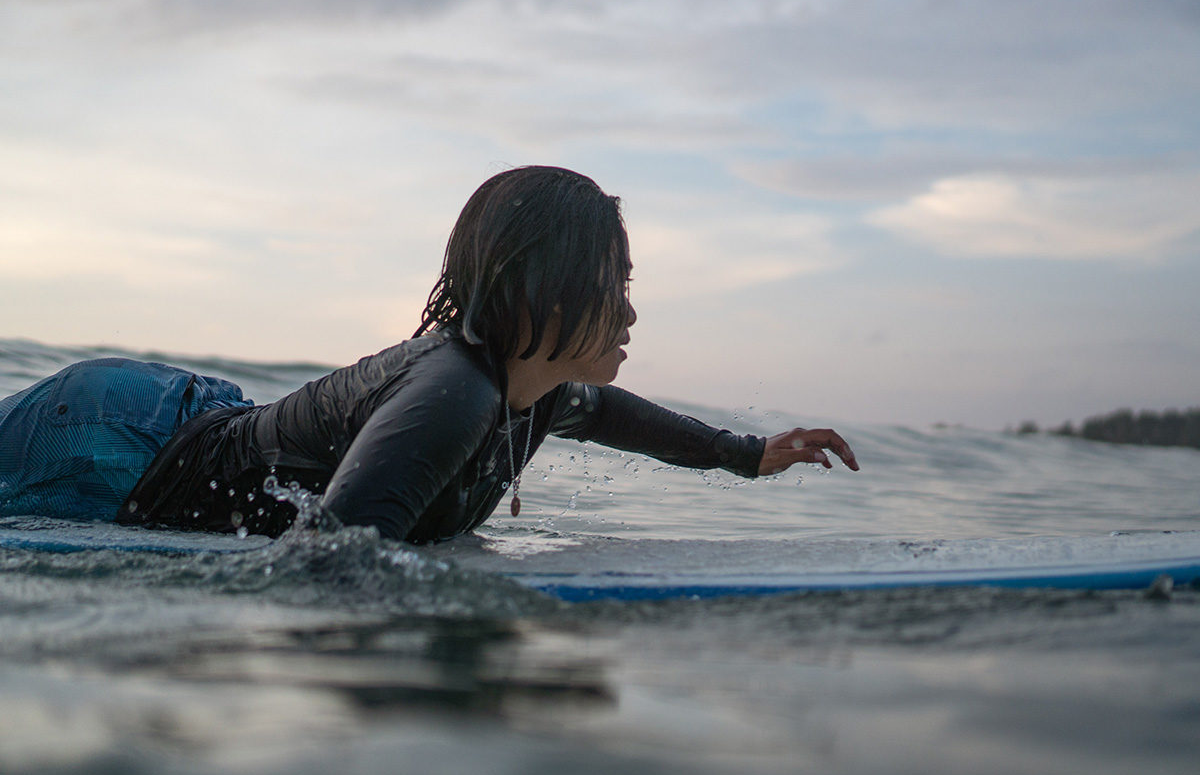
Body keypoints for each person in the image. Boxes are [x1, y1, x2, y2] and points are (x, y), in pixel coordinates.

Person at [0, 166, 858, 543]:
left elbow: (615, 417)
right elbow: (335, 554)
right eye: (614, 283)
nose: (631, 311)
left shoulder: (537, 390)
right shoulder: (454, 391)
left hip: (189, 418)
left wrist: (749, 456)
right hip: (120, 446)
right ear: (551, 288)